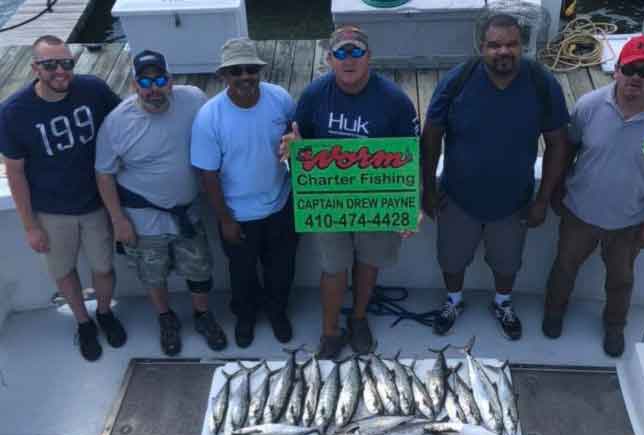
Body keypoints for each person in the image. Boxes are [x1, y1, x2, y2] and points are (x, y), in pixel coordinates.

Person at [421, 13, 569, 339]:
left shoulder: (542, 82)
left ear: (522, 45)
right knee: (451, 259)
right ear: (481, 46)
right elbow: (431, 135)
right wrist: (427, 188)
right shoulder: (457, 80)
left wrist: (542, 198)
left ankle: (502, 303)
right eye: (495, 45)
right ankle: (453, 301)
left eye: (512, 44)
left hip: (514, 201)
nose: (504, 52)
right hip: (457, 196)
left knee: (507, 264)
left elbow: (558, 143)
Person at [543, 35, 644, 357]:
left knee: (621, 280)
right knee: (564, 268)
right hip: (578, 212)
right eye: (630, 68)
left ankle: (614, 326)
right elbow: (568, 150)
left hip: (629, 222)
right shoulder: (589, 105)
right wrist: (555, 190)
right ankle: (553, 313)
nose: (636, 77)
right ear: (616, 71)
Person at [289, 26, 419, 359]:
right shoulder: (313, 95)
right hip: (327, 201)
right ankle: (330, 330)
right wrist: (293, 147)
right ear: (330, 59)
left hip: (377, 200)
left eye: (356, 52)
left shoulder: (396, 101)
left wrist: (410, 204)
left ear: (369, 57)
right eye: (341, 53)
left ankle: (359, 318)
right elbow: (293, 145)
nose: (349, 60)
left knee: (369, 262)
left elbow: (410, 156)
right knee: (334, 267)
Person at [0, 35, 126, 361]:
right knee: (63, 270)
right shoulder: (14, 112)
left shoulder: (94, 90)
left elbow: (126, 121)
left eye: (66, 62)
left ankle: (105, 314)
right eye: (50, 64)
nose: (60, 71)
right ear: (35, 68)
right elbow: (14, 173)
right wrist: (30, 226)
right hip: (51, 212)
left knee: (103, 267)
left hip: (97, 203)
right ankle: (83, 323)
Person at [95, 50, 227, 356]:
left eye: (160, 79)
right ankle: (166, 319)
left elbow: (218, 129)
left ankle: (202, 315)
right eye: (145, 81)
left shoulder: (193, 98)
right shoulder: (116, 123)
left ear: (170, 80)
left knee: (199, 269)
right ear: (134, 85)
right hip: (142, 218)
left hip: (189, 212)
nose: (153, 88)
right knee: (151, 273)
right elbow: (103, 174)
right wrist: (118, 220)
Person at [191, 38, 297, 348]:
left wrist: (293, 139)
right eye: (236, 71)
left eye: (251, 69)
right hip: (237, 214)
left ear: (260, 72)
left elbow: (296, 135)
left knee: (282, 270)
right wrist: (225, 219)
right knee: (242, 275)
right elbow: (207, 175)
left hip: (281, 204)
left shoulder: (280, 98)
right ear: (224, 76)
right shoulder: (210, 117)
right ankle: (246, 317)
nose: (245, 76)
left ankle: (278, 312)